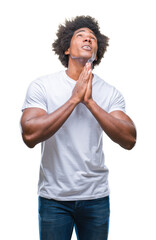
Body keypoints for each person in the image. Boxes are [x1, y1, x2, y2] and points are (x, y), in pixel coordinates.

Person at [20, 16, 136, 240]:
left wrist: (90, 103)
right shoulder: (43, 86)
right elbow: (29, 134)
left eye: (93, 38)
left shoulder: (110, 92)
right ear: (66, 48)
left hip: (96, 198)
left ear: (97, 51)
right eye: (80, 35)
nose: (88, 39)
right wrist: (74, 100)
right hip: (54, 199)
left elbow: (129, 139)